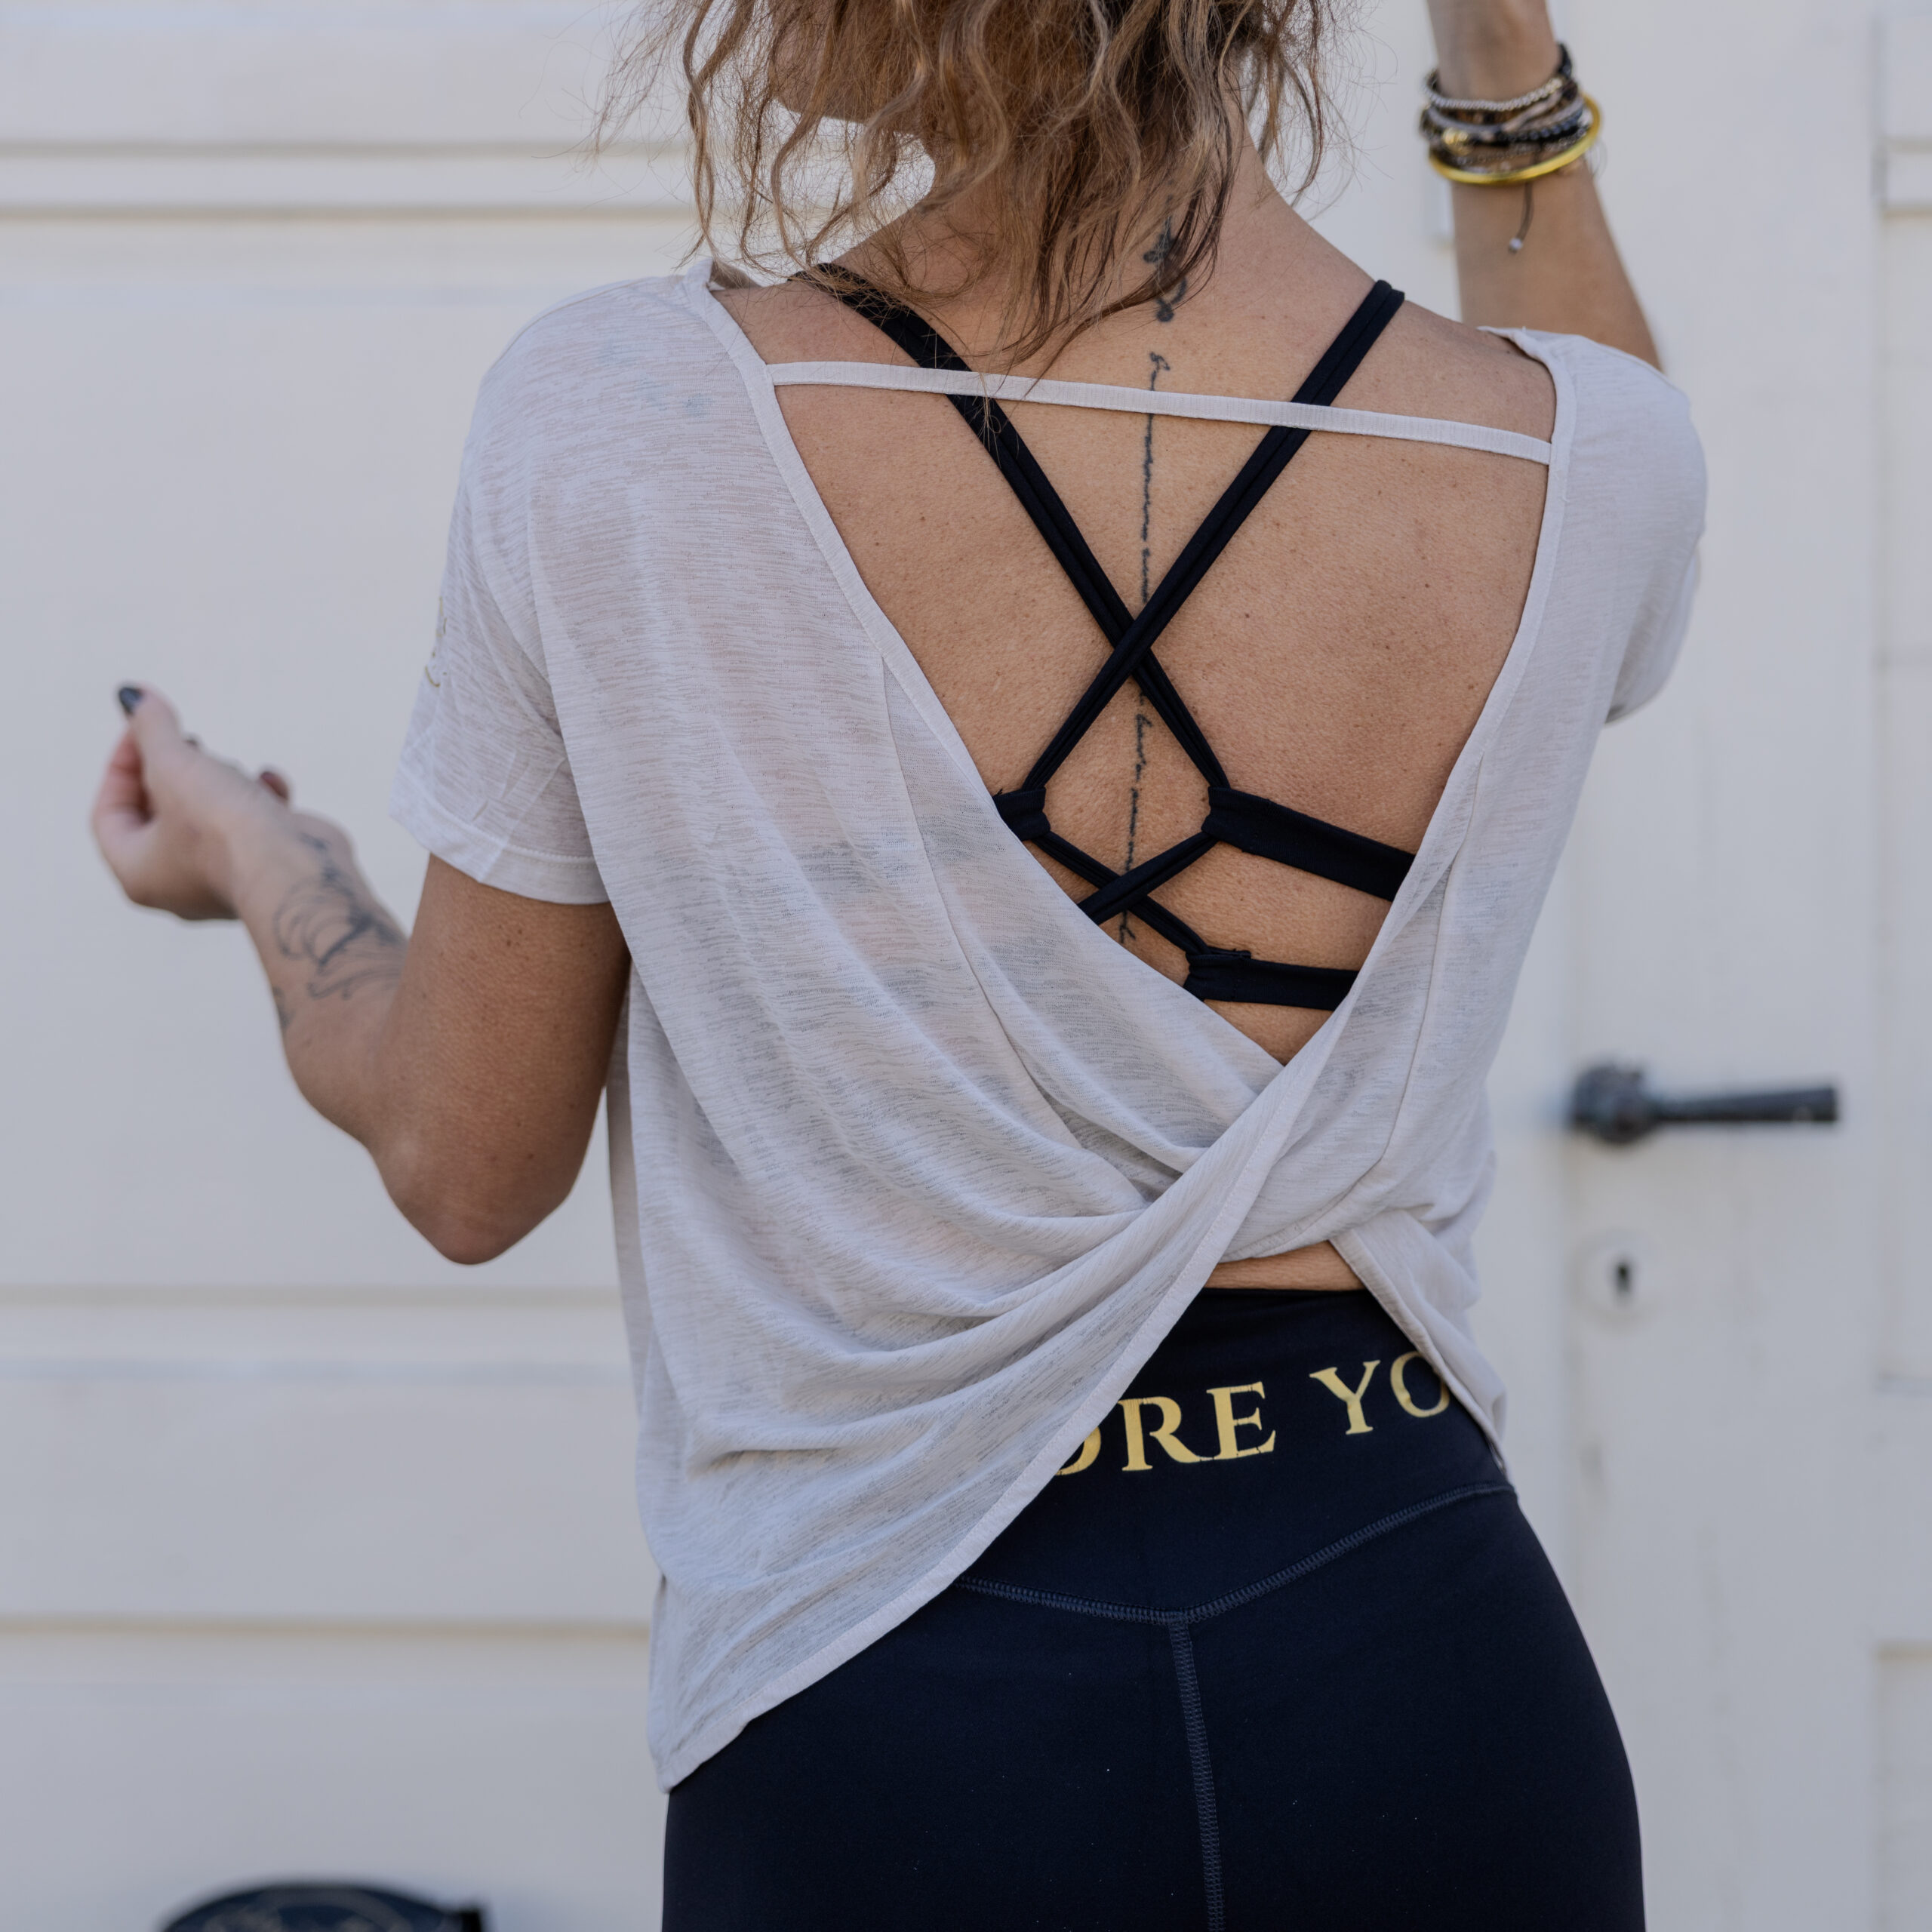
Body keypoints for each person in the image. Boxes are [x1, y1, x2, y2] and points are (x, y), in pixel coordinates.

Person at [93, 0, 1703, 1922]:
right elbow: (1615, 448)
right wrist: (1498, 39)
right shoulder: (1578, 458)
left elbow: (465, 1157)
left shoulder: (630, 417)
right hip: (1422, 1659)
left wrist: (269, 861)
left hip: (899, 1698)